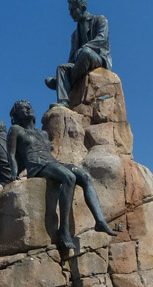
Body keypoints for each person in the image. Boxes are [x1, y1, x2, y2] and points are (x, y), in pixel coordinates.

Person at [7, 99, 116, 250]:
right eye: (23, 108)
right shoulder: (15, 130)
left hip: (52, 163)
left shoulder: (43, 133)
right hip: (37, 166)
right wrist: (13, 174)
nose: (28, 109)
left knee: (85, 176)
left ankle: (100, 221)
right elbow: (11, 155)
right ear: (17, 115)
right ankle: (64, 230)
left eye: (29, 107)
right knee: (69, 177)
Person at [45, 0, 112, 107]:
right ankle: (63, 102)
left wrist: (86, 47)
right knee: (62, 68)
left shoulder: (100, 20)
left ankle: (66, 82)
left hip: (98, 58)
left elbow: (102, 39)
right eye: (69, 10)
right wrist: (60, 74)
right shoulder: (75, 35)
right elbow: (72, 58)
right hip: (81, 60)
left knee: (85, 52)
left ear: (82, 8)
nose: (70, 14)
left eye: (72, 10)